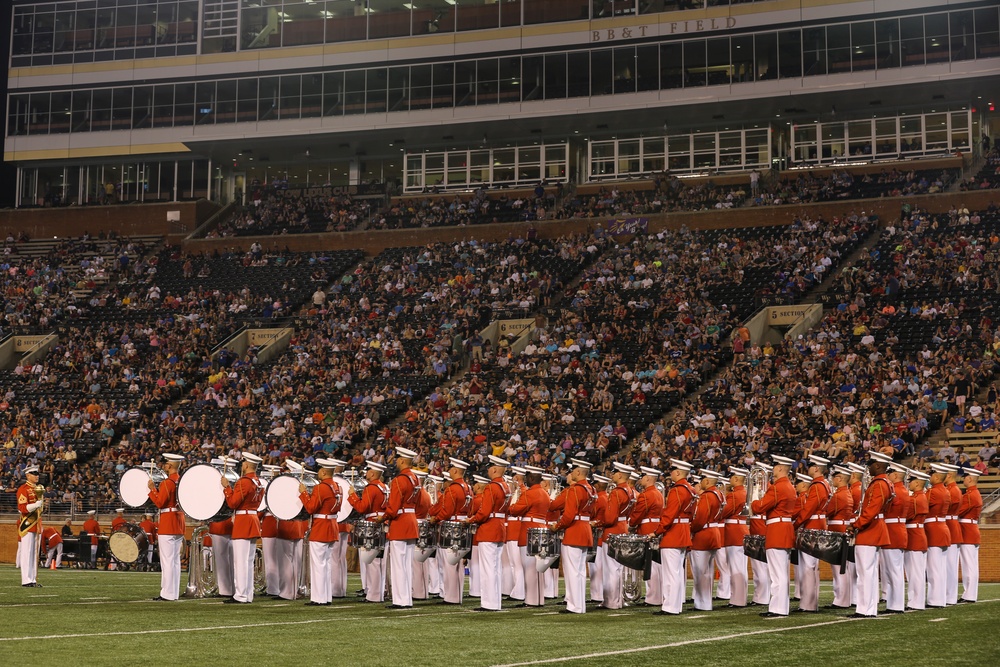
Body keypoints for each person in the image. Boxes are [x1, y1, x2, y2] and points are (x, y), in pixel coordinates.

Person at [750, 454, 797, 618]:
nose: (773, 469)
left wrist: (754, 499)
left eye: (775, 466)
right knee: (781, 572)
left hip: (777, 529)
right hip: (784, 529)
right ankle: (780, 607)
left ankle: (777, 608)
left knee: (777, 574)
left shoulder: (778, 487)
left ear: (781, 468)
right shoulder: (789, 486)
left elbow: (759, 507)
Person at [551, 458, 597, 614]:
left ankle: (574, 606)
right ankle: (579, 605)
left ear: (578, 472)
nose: (570, 474)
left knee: (572, 572)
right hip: (585, 529)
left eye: (572, 471)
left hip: (574, 530)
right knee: (579, 572)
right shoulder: (591, 489)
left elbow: (569, 515)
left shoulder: (576, 489)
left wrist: (556, 526)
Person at [851, 451, 893, 618]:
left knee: (865, 572)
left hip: (870, 529)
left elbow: (871, 510)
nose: (868, 468)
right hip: (875, 527)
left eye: (870, 465)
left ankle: (864, 609)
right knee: (869, 572)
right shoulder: (884, 483)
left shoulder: (879, 484)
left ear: (878, 465)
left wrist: (856, 524)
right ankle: (869, 608)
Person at [469, 455, 512, 612]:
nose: (487, 470)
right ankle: (495, 602)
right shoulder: (506, 486)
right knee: (495, 567)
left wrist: (472, 520)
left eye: (489, 467)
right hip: (500, 526)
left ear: (494, 469)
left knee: (488, 568)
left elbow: (484, 512)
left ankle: (488, 603)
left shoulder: (492, 487)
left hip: (488, 528)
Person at [379, 446, 420, 610]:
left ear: (402, 461)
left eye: (397, 459)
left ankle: (400, 600)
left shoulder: (399, 480)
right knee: (407, 564)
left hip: (400, 522)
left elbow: (393, 507)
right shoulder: (415, 478)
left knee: (398, 564)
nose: (396, 461)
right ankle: (406, 599)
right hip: (411, 520)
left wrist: (383, 517)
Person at [221, 452, 266, 604]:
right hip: (253, 518)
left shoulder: (244, 481)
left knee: (240, 561)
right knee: (248, 560)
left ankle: (240, 595)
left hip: (243, 520)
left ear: (246, 465)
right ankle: (247, 594)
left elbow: (233, 503)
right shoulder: (258, 482)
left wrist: (227, 488)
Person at [654, 458, 695, 616]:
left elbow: (669, 514)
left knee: (671, 573)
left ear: (678, 472)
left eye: (672, 471)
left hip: (673, 533)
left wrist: (657, 531)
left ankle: (670, 606)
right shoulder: (690, 489)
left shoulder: (677, 490)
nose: (670, 474)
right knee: (677, 572)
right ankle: (676, 605)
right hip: (683, 530)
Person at [299, 458, 343, 606]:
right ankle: (326, 596)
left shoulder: (321, 488)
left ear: (324, 471)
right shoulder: (338, 487)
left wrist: (304, 494)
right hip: (332, 525)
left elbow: (311, 508)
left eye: (320, 469)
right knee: (326, 563)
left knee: (318, 564)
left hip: (321, 526)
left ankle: (318, 598)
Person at [430, 457, 473, 605]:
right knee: (459, 564)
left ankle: (450, 597)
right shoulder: (468, 488)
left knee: (449, 565)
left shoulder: (453, 488)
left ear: (455, 471)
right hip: (462, 526)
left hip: (451, 527)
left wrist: (435, 519)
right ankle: (457, 595)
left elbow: (446, 511)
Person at [508, 464, 551, 608]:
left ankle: (531, 600)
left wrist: (512, 504)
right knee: (537, 568)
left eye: (527, 477)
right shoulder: (544, 493)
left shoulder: (529, 493)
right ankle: (538, 599)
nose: (526, 479)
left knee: (529, 567)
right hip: (541, 530)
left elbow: (515, 511)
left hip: (529, 531)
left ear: (532, 477)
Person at [793, 455, 831, 613]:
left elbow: (809, 508)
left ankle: (807, 604)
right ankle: (810, 602)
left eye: (810, 466)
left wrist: (796, 524)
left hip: (812, 525)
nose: (807, 468)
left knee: (808, 566)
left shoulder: (817, 485)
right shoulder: (824, 484)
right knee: (811, 567)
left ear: (816, 468)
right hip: (818, 524)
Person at [597, 463, 637, 610]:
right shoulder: (630, 491)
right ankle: (617, 600)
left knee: (611, 569)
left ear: (620, 475)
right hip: (623, 528)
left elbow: (609, 518)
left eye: (614, 473)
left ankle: (612, 601)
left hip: (612, 531)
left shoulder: (616, 492)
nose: (611, 475)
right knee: (618, 568)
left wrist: (598, 523)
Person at [348, 460, 389, 603]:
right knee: (379, 562)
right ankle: (379, 593)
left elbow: (362, 507)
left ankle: (373, 595)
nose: (366, 473)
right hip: (382, 525)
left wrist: (352, 497)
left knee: (372, 563)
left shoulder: (371, 487)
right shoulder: (384, 487)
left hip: (371, 526)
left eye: (368, 471)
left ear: (372, 473)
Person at [148, 453, 185, 600]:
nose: (164, 465)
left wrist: (152, 489)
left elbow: (160, 502)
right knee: (175, 561)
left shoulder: (167, 483)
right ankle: (173, 592)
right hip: (179, 521)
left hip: (168, 521)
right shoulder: (182, 482)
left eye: (165, 464)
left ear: (169, 466)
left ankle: (167, 593)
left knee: (167, 560)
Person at [689, 468, 725, 612]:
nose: (701, 482)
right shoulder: (719, 494)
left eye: (702, 479)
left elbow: (700, 518)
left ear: (708, 481)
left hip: (704, 534)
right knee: (708, 571)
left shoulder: (707, 496)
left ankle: (702, 604)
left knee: (700, 572)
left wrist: (692, 529)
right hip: (714, 532)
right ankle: (706, 602)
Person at [629, 465, 665, 607]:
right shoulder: (658, 494)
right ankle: (657, 595)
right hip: (655, 526)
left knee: (650, 565)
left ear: (648, 478)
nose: (641, 479)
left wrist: (631, 524)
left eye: (643, 476)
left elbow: (638, 514)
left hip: (647, 528)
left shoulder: (646, 494)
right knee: (656, 565)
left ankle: (653, 597)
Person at [881, 463, 910, 614]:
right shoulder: (903, 490)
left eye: (890, 473)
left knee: (893, 571)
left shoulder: (895, 491)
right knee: (893, 570)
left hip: (892, 531)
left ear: (896, 475)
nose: (887, 475)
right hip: (897, 530)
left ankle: (896, 604)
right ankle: (894, 603)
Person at [825, 465, 855, 609]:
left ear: (840, 478)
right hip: (843, 529)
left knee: (839, 568)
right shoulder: (847, 493)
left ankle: (841, 599)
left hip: (837, 530)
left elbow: (828, 511)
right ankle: (843, 598)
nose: (832, 480)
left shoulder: (839, 495)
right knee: (843, 567)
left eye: (834, 477)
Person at [719, 466, 749, 608]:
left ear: (736, 478)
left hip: (734, 531)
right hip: (740, 529)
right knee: (740, 567)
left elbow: (724, 512)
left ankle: (737, 599)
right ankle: (739, 598)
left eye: (731, 477)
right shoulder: (744, 492)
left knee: (736, 568)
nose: (729, 479)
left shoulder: (734, 495)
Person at [925, 463, 952, 608]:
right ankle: (940, 598)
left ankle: (935, 600)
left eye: (931, 475)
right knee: (940, 567)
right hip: (943, 527)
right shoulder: (946, 491)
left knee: (934, 568)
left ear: (936, 476)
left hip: (933, 529)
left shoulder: (932, 492)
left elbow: (924, 506)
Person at [904, 468, 930, 611]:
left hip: (914, 535)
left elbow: (906, 514)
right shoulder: (920, 497)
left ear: (918, 483)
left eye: (911, 482)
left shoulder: (916, 498)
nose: (909, 484)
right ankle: (915, 601)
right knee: (915, 572)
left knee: (915, 572)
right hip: (917, 534)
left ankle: (916, 602)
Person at [747, 462, 772, 608]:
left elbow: (756, 507)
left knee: (760, 566)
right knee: (760, 567)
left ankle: (761, 597)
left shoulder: (764, 489)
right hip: (760, 526)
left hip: (760, 527)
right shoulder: (765, 488)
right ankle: (761, 595)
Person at [957, 468, 983, 603]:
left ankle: (969, 594)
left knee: (969, 565)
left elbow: (959, 511)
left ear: (971, 479)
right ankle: (970, 594)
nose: (963, 479)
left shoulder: (970, 495)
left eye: (966, 477)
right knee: (971, 565)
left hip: (968, 531)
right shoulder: (974, 493)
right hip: (971, 530)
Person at [17, 465, 44, 587]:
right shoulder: (23, 489)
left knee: (34, 554)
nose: (37, 476)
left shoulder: (38, 489)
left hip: (36, 523)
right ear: (28, 475)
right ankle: (26, 580)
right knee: (27, 552)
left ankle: (32, 579)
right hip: (27, 524)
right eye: (34, 474)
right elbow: (22, 508)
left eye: (37, 474)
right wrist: (36, 505)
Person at [504, 466, 527, 604]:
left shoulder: (522, 492)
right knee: (513, 563)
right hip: (511, 528)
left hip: (516, 528)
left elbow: (513, 510)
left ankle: (519, 592)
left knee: (516, 563)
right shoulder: (516, 492)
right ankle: (516, 589)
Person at [588, 472, 610, 606]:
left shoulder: (599, 499)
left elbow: (592, 513)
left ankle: (596, 594)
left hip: (597, 535)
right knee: (601, 567)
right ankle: (599, 594)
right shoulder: (607, 497)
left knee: (595, 567)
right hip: (602, 535)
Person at [943, 464, 963, 605]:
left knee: (950, 565)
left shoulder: (953, 490)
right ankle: (948, 595)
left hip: (951, 526)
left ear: (948, 475)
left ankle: (950, 596)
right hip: (950, 526)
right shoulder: (951, 489)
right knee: (948, 565)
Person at [208, 517, 235, 599]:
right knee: (237, 560)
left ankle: (225, 590)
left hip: (220, 524)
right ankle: (236, 589)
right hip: (235, 524)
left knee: (221, 561)